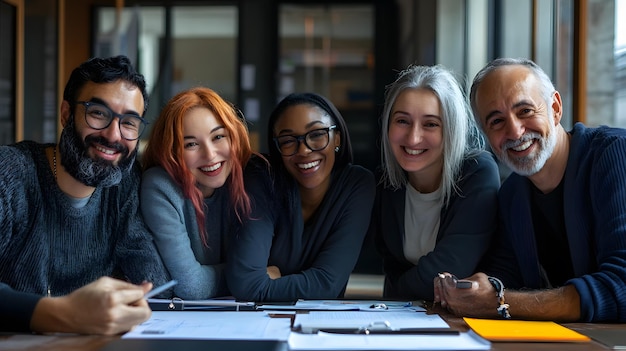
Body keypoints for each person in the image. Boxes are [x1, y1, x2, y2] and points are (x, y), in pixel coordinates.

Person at [434, 57, 626, 322]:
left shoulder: (615, 154)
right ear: (487, 136)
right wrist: (471, 289)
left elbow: (622, 286)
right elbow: (504, 277)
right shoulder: (512, 195)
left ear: (555, 108)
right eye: (496, 122)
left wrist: (501, 302)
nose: (514, 131)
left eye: (524, 111)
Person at [0, 55, 170, 335]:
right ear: (66, 114)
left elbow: (152, 282)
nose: (114, 136)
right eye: (99, 113)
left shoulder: (124, 185)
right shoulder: (11, 173)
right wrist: (65, 314)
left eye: (129, 122)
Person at [226, 92, 376, 301]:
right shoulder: (262, 177)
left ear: (337, 139)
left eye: (316, 135)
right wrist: (302, 284)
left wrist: (268, 283)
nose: (304, 150)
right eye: (288, 140)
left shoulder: (357, 184)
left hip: (322, 325)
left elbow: (327, 284)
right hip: (258, 323)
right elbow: (246, 283)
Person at [370, 65, 500, 301]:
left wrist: (398, 290)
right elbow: (391, 265)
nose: (413, 137)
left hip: (468, 321)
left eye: (430, 124)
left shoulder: (477, 172)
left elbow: (449, 269)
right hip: (405, 317)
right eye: (402, 121)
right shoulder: (386, 182)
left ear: (451, 129)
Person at [141, 87, 259, 299]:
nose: (210, 154)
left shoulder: (248, 178)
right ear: (171, 151)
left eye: (218, 137)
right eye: (191, 144)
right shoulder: (160, 187)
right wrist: (250, 276)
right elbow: (192, 287)